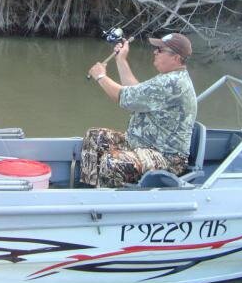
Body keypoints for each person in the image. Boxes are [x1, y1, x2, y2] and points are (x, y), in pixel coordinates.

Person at [82, 33, 197, 187]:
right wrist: (121, 59)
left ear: (176, 58)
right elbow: (136, 92)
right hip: (139, 143)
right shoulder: (168, 78)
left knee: (112, 162)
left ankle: (108, 206)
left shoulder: (172, 83)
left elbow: (124, 98)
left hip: (166, 157)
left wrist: (101, 76)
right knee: (95, 136)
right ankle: (89, 190)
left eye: (160, 50)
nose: (155, 52)